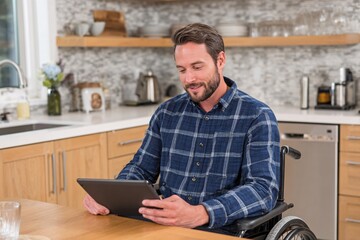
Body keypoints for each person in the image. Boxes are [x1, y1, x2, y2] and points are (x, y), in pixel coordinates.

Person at [83, 23, 280, 235]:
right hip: (165, 229)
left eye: (197, 67)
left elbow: (262, 190)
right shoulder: (167, 112)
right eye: (182, 70)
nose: (189, 79)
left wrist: (201, 213)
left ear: (220, 60)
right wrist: (111, 196)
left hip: (223, 231)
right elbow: (141, 168)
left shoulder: (256, 115)